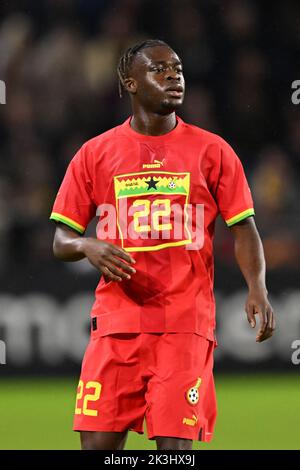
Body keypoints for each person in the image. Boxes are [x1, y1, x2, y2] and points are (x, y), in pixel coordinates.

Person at [50, 39, 275, 450]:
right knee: (97, 449)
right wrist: (88, 246)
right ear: (129, 82)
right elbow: (61, 240)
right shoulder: (94, 154)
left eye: (178, 68)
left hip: (183, 326)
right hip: (116, 327)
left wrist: (256, 286)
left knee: (173, 451)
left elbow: (244, 228)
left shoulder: (213, 151)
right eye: (159, 69)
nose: (173, 75)